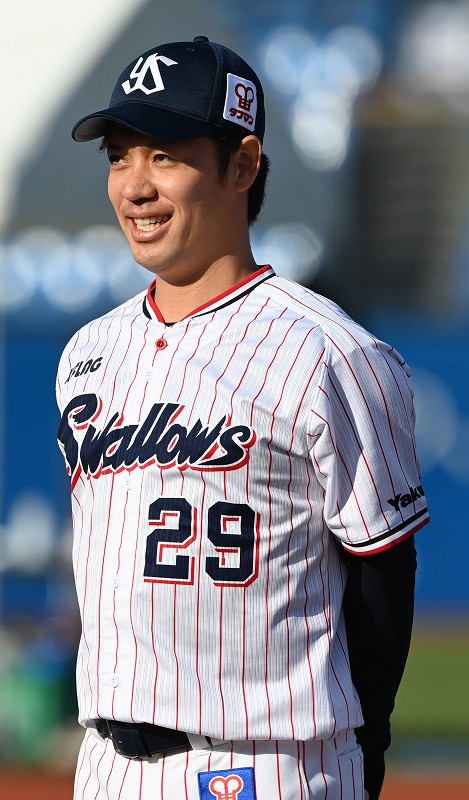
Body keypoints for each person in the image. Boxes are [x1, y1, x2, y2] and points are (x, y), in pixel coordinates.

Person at [56, 36, 429, 800]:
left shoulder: (329, 353)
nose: (134, 185)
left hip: (265, 764)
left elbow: (382, 578)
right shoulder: (86, 353)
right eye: (119, 156)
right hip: (104, 767)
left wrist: (367, 750)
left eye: (164, 155)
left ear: (242, 165)